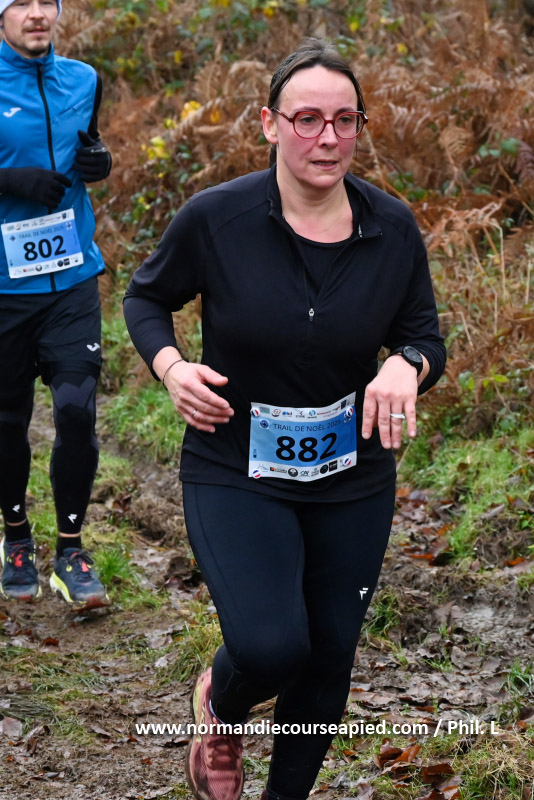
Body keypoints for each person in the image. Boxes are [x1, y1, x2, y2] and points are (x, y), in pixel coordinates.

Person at [124, 38, 446, 800]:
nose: (328, 138)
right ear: (269, 123)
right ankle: (222, 704)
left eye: (345, 120)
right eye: (307, 119)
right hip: (235, 466)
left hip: (352, 475)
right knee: (271, 647)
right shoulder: (216, 219)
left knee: (329, 653)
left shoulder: (391, 227)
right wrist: (172, 368)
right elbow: (146, 298)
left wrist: (406, 366)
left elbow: (424, 338)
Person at [0, 0, 112, 610]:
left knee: (74, 411)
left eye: (47, 1)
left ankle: (71, 551)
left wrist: (101, 161)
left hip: (71, 278)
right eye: (21, 3)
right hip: (3, 288)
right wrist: (9, 181)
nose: (37, 13)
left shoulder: (84, 79)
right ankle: (16, 537)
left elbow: (88, 147)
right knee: (7, 421)